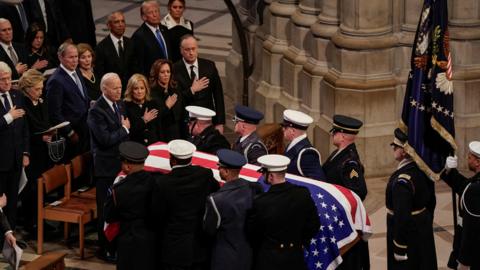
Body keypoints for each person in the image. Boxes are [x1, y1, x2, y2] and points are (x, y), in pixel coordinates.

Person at [151, 139, 219, 270]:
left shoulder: (163, 183)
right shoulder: (205, 174)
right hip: (200, 244)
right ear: (190, 158)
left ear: (173, 160)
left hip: (174, 248)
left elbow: (157, 215)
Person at [246, 154, 319, 270]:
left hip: (269, 260)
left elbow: (252, 234)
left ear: (270, 176)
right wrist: (298, 240)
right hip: (295, 258)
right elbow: (314, 225)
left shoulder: (261, 202)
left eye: (263, 173)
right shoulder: (303, 194)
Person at [87, 72, 130, 262]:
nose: (119, 90)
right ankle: (104, 248)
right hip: (105, 168)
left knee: (116, 208)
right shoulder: (96, 111)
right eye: (115, 88)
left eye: (120, 86)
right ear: (104, 89)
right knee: (105, 209)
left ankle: (115, 245)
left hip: (117, 164)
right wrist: (124, 129)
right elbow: (104, 140)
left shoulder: (118, 104)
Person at [385, 128, 437, 270]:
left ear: (405, 151)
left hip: (407, 237)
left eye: (396, 146)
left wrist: (399, 247)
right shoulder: (423, 170)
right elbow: (431, 202)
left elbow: (401, 217)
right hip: (421, 228)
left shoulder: (403, 181)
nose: (394, 148)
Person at [322, 114, 368, 269]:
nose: (331, 135)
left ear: (341, 135)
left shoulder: (350, 162)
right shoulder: (338, 154)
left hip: (345, 222)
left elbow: (359, 192)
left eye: (334, 132)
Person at [203, 149, 262, 270]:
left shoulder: (216, 200)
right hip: (248, 255)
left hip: (225, 259)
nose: (218, 170)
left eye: (219, 167)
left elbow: (209, 230)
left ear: (225, 171)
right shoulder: (254, 189)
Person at [104, 141, 155, 270]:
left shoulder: (118, 190)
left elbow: (109, 217)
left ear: (127, 166)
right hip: (149, 238)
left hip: (127, 239)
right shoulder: (154, 182)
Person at [18, 68, 52, 234]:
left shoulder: (42, 102)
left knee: (41, 186)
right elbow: (24, 131)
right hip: (30, 152)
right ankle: (30, 223)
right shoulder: (22, 104)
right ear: (27, 88)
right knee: (31, 189)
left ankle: (41, 219)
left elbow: (45, 123)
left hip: (43, 152)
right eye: (37, 89)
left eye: (41, 88)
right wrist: (41, 137)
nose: (41, 91)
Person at [46, 42, 90, 160]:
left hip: (85, 129)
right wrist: (70, 133)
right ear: (60, 57)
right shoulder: (56, 81)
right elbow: (54, 113)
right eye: (71, 57)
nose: (75, 60)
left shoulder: (77, 71)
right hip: (72, 135)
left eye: (76, 56)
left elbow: (82, 96)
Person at [173, 34, 225, 133]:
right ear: (181, 50)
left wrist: (219, 123)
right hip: (185, 122)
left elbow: (218, 95)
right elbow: (176, 99)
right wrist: (192, 90)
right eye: (187, 50)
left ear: (197, 48)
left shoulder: (209, 66)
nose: (191, 53)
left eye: (193, 49)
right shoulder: (174, 69)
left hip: (207, 120)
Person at [0, 61, 29, 230]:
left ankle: (10, 239)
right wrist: (8, 117)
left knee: (12, 201)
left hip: (16, 159)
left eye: (9, 78)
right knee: (0, 202)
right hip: (1, 161)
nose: (7, 82)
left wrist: (25, 152)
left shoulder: (17, 95)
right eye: (2, 79)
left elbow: (25, 128)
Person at [442, 142, 480, 270]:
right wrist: (449, 170)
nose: (467, 159)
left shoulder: (475, 190)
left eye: (470, 157)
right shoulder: (474, 185)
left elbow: (471, 230)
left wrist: (463, 261)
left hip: (473, 257)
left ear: (477, 162)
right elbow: (463, 186)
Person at [95, 11, 139, 89]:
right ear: (109, 26)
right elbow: (100, 74)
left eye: (122, 21)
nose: (120, 24)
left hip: (131, 90)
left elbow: (136, 68)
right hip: (113, 91)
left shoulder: (131, 43)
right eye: (116, 22)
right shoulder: (101, 48)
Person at [281, 109, 326, 180]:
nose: (283, 129)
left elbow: (318, 182)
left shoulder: (307, 154)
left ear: (292, 131)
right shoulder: (293, 145)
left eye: (285, 127)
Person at [149, 59, 185, 141]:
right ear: (156, 74)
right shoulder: (151, 95)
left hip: (178, 135)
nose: (166, 75)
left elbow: (182, 114)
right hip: (161, 136)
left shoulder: (176, 90)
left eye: (168, 72)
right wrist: (166, 107)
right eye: (162, 72)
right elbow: (153, 121)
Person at [132, 0, 171, 75]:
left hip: (167, 78)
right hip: (151, 80)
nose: (155, 15)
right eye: (150, 12)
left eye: (156, 11)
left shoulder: (165, 30)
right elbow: (139, 65)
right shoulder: (139, 36)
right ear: (143, 17)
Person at [123, 73, 159, 145]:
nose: (139, 92)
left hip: (153, 145)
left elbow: (158, 128)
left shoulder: (152, 103)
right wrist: (143, 120)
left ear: (146, 89)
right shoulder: (125, 106)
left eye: (142, 88)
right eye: (136, 88)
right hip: (136, 146)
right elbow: (129, 131)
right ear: (131, 90)